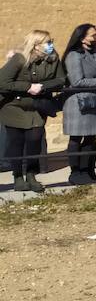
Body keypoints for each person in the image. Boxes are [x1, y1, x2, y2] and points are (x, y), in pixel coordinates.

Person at [1, 30, 66, 193]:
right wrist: (28, 87)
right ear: (36, 45)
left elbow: (61, 79)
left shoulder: (53, 59)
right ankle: (17, 177)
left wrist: (43, 87)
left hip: (37, 107)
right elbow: (2, 82)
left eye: (51, 41)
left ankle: (31, 175)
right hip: (14, 107)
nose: (51, 44)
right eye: (47, 42)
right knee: (16, 142)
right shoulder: (19, 59)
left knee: (34, 140)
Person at [61, 23, 96, 186]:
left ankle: (89, 169)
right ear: (82, 38)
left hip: (95, 101)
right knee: (76, 138)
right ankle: (76, 172)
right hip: (78, 102)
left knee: (91, 138)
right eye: (93, 35)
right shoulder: (74, 55)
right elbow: (77, 81)